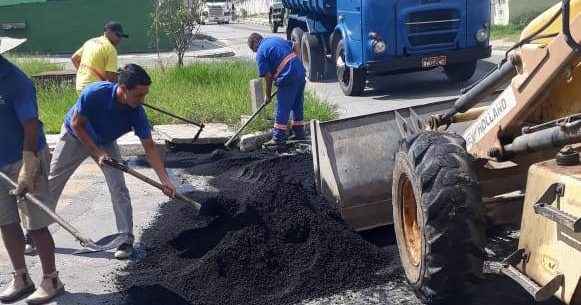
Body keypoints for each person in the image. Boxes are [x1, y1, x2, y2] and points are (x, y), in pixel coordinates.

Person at [48, 64, 177, 260]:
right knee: (53, 182)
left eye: (145, 95)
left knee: (119, 187)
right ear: (122, 89)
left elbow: (149, 147)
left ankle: (125, 239)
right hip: (75, 136)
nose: (142, 100)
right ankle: (35, 231)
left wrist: (165, 181)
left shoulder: (136, 112)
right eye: (139, 95)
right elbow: (77, 124)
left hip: (106, 141)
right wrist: (97, 152)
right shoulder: (94, 93)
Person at [0, 37, 65, 304]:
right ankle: (21, 276)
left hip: (25, 156)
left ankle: (51, 279)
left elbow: (30, 126)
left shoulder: (16, 81)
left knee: (35, 224)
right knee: (6, 222)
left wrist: (29, 165)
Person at [247, 33, 306, 145]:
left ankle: (278, 138)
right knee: (297, 104)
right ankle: (299, 133)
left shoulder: (260, 52)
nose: (254, 51)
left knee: (282, 107)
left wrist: (268, 95)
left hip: (287, 76)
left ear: (255, 43)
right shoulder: (275, 39)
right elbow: (296, 45)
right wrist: (297, 64)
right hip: (300, 72)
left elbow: (267, 76)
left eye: (253, 49)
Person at [71, 21, 128, 92]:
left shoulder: (90, 41)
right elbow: (111, 80)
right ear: (108, 32)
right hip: (95, 90)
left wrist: (84, 74)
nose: (119, 39)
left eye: (121, 36)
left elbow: (74, 59)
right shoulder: (110, 49)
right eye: (117, 35)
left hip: (80, 86)